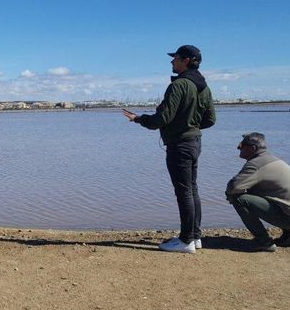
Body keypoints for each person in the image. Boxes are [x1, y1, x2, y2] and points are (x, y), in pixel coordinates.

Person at [122, 45, 216, 253]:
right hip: (194, 142)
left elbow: (162, 118)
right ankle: (195, 237)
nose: (172, 62)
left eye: (176, 58)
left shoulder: (179, 85)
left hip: (180, 145)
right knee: (192, 189)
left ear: (186, 61)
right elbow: (210, 120)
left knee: (184, 192)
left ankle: (186, 241)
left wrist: (139, 119)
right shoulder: (204, 87)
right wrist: (190, 126)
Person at [226, 132, 290, 252]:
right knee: (259, 192)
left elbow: (233, 188)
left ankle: (265, 242)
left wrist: (230, 195)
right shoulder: (273, 159)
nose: (238, 147)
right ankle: (288, 235)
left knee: (239, 199)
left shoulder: (256, 163)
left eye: (242, 144)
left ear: (253, 148)